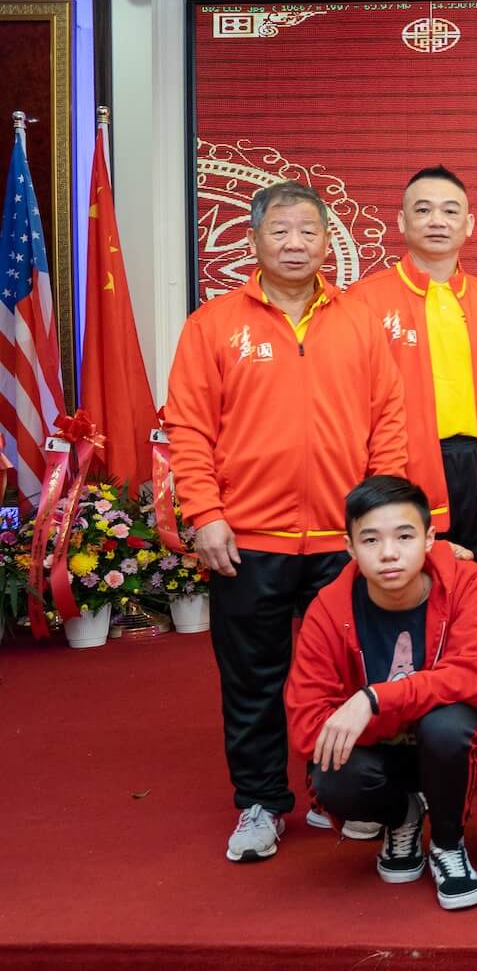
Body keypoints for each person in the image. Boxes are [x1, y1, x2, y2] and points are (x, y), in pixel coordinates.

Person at [165, 181, 410, 863]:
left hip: (344, 540)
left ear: (327, 240)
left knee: (346, 674)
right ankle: (261, 802)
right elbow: (186, 427)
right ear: (254, 241)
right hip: (248, 538)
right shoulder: (213, 323)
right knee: (253, 680)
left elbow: (388, 419)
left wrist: (383, 521)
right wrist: (206, 514)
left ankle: (344, 793)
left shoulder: (359, 319)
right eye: (281, 230)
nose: (296, 242)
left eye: (309, 229)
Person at [285, 475, 477, 910]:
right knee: (331, 773)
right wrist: (386, 718)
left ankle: (447, 843)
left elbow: (469, 677)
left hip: (450, 741)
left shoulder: (465, 583)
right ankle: (401, 814)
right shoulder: (328, 609)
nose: (388, 553)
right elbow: (306, 726)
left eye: (404, 536)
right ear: (349, 547)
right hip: (380, 752)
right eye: (370, 539)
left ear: (429, 538)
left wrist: (373, 700)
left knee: (446, 724)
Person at [346, 166, 477, 576]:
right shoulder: (364, 301)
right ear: (401, 221)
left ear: (468, 224)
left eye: (450, 211)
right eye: (424, 210)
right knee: (415, 586)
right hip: (404, 468)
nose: (437, 221)